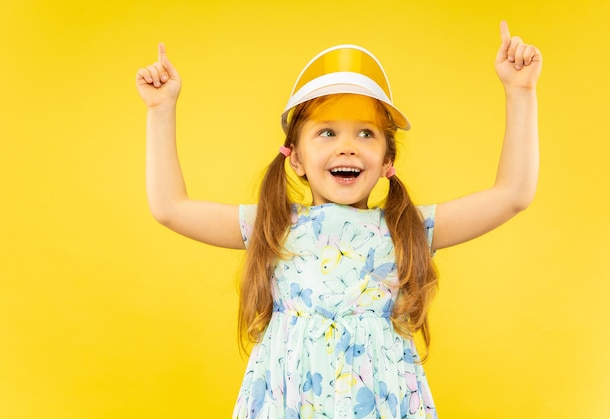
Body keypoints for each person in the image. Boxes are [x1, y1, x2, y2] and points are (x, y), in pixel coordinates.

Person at [136, 20, 541, 419]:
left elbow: (512, 195)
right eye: (327, 133)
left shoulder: (406, 228)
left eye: (365, 133)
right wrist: (161, 109)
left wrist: (520, 92)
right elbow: (171, 207)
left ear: (387, 161)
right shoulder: (274, 226)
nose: (347, 147)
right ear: (295, 157)